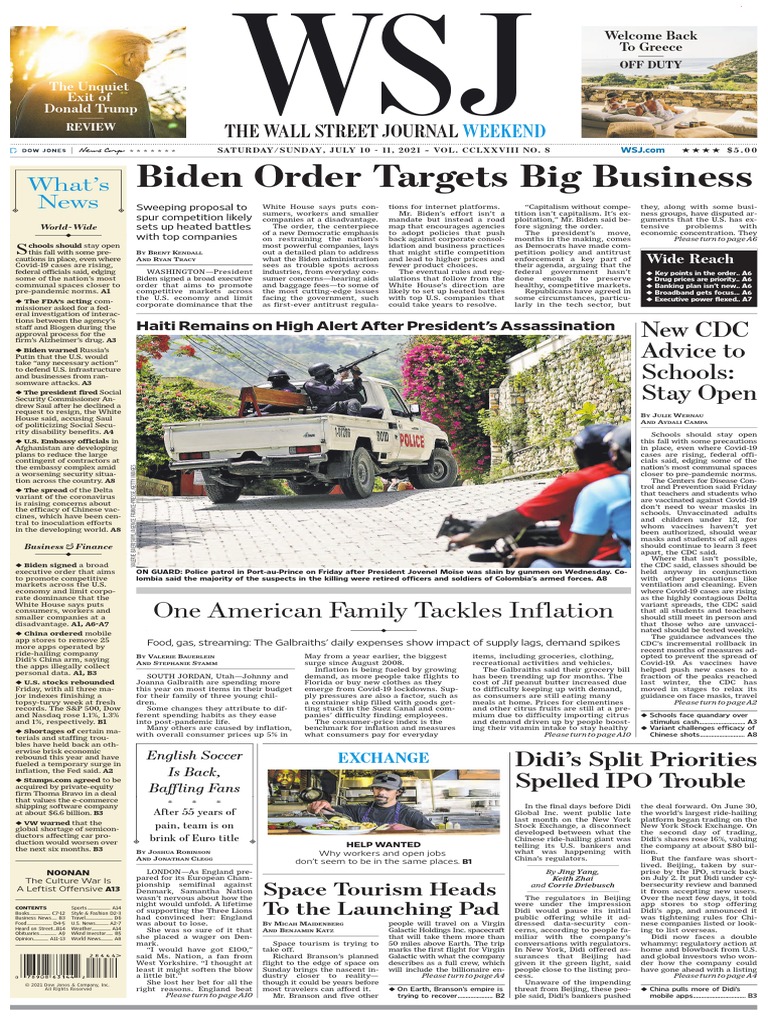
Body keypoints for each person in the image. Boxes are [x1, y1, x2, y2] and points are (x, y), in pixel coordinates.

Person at [451, 424, 623, 562]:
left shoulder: (577, 482)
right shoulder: (626, 475)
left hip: (601, 560)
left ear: (582, 453)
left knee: (535, 563)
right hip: (626, 556)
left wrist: (469, 538)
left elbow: (516, 519)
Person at [512, 424, 632, 568]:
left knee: (539, 565)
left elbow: (578, 554)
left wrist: (535, 551)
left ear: (616, 453)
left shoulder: (602, 490)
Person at [14, 29, 155, 138]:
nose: (144, 68)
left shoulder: (37, 90)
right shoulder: (130, 90)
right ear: (129, 58)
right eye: (145, 60)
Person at [306, 772, 436, 831]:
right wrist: (315, 807)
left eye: (388, 789)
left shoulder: (411, 814)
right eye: (378, 788)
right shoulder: (358, 810)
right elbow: (327, 810)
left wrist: (411, 830)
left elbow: (435, 837)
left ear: (398, 792)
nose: (381, 792)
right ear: (372, 790)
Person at [304, 362, 381, 417]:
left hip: (338, 408)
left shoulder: (331, 382)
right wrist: (340, 378)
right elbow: (331, 391)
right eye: (327, 371)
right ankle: (355, 426)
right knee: (353, 402)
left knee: (377, 410)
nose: (331, 373)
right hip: (325, 409)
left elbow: (353, 390)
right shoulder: (311, 384)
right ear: (321, 373)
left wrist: (355, 376)